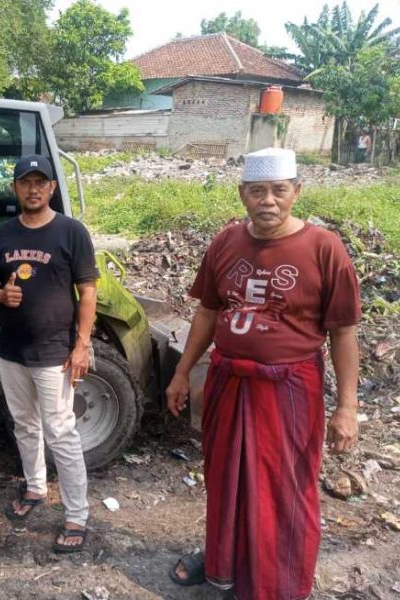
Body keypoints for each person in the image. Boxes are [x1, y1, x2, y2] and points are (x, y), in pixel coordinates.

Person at [166, 148, 361, 599]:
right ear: (242, 194)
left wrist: (348, 407)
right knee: (225, 478)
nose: (267, 200)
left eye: (278, 190)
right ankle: (224, 564)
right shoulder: (226, 241)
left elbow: (344, 332)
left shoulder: (323, 248)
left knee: (284, 486)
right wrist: (181, 373)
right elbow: (207, 312)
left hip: (289, 388)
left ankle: (279, 583)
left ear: (297, 192)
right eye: (257, 191)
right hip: (227, 382)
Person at [0, 154, 98, 553]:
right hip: (11, 350)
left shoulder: (70, 232)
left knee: (61, 431)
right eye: (25, 182)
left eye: (40, 182)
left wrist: (81, 345)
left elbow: (88, 292)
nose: (33, 189)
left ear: (52, 188)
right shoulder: (2, 234)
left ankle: (77, 514)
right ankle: (34, 487)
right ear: (15, 188)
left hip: (53, 353)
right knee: (24, 424)